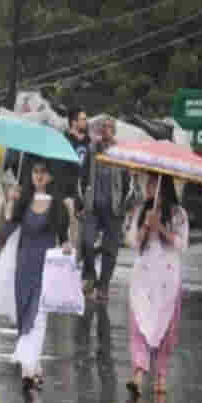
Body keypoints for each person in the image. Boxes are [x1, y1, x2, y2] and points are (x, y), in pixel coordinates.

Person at [0, 159, 71, 390]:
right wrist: (10, 202)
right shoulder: (23, 201)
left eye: (44, 172)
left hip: (46, 268)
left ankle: (27, 369)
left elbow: (64, 238)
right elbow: (6, 230)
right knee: (25, 317)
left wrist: (67, 247)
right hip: (23, 266)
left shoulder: (58, 206)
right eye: (35, 171)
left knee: (38, 317)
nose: (39, 176)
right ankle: (34, 366)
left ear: (51, 176)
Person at [125, 174, 189, 397]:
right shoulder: (141, 210)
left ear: (164, 187)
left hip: (167, 277)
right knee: (138, 322)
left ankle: (161, 374)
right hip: (143, 275)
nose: (149, 187)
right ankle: (139, 373)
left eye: (154, 183)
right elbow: (133, 241)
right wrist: (145, 224)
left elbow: (181, 244)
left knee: (166, 326)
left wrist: (160, 227)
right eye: (148, 183)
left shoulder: (178, 214)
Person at [79, 116, 127, 307]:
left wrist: (124, 205)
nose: (106, 130)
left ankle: (103, 285)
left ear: (114, 131)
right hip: (93, 206)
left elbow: (127, 182)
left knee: (110, 250)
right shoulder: (92, 150)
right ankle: (90, 275)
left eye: (109, 127)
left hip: (114, 208)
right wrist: (81, 203)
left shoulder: (122, 153)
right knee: (87, 242)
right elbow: (83, 177)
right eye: (103, 127)